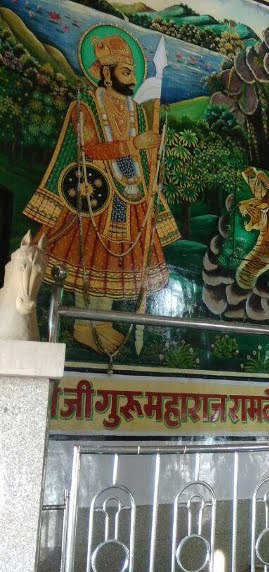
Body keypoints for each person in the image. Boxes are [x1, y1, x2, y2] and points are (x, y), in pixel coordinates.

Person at [24, 28, 179, 353]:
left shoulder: (136, 111)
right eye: (125, 72)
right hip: (94, 197)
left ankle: (102, 323)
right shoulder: (85, 109)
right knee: (89, 257)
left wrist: (152, 151)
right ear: (107, 75)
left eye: (134, 73)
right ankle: (82, 325)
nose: (132, 79)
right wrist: (133, 144)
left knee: (114, 263)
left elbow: (143, 159)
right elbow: (89, 148)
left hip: (131, 195)